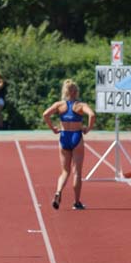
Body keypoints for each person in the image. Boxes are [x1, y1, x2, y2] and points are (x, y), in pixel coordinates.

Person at [43, 79, 96, 210]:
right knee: (77, 172)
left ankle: (58, 192)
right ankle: (76, 202)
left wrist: (53, 128)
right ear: (76, 92)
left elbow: (45, 114)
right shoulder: (80, 105)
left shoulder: (59, 105)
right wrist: (88, 129)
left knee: (65, 171)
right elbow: (92, 115)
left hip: (64, 137)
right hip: (76, 137)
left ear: (65, 92)